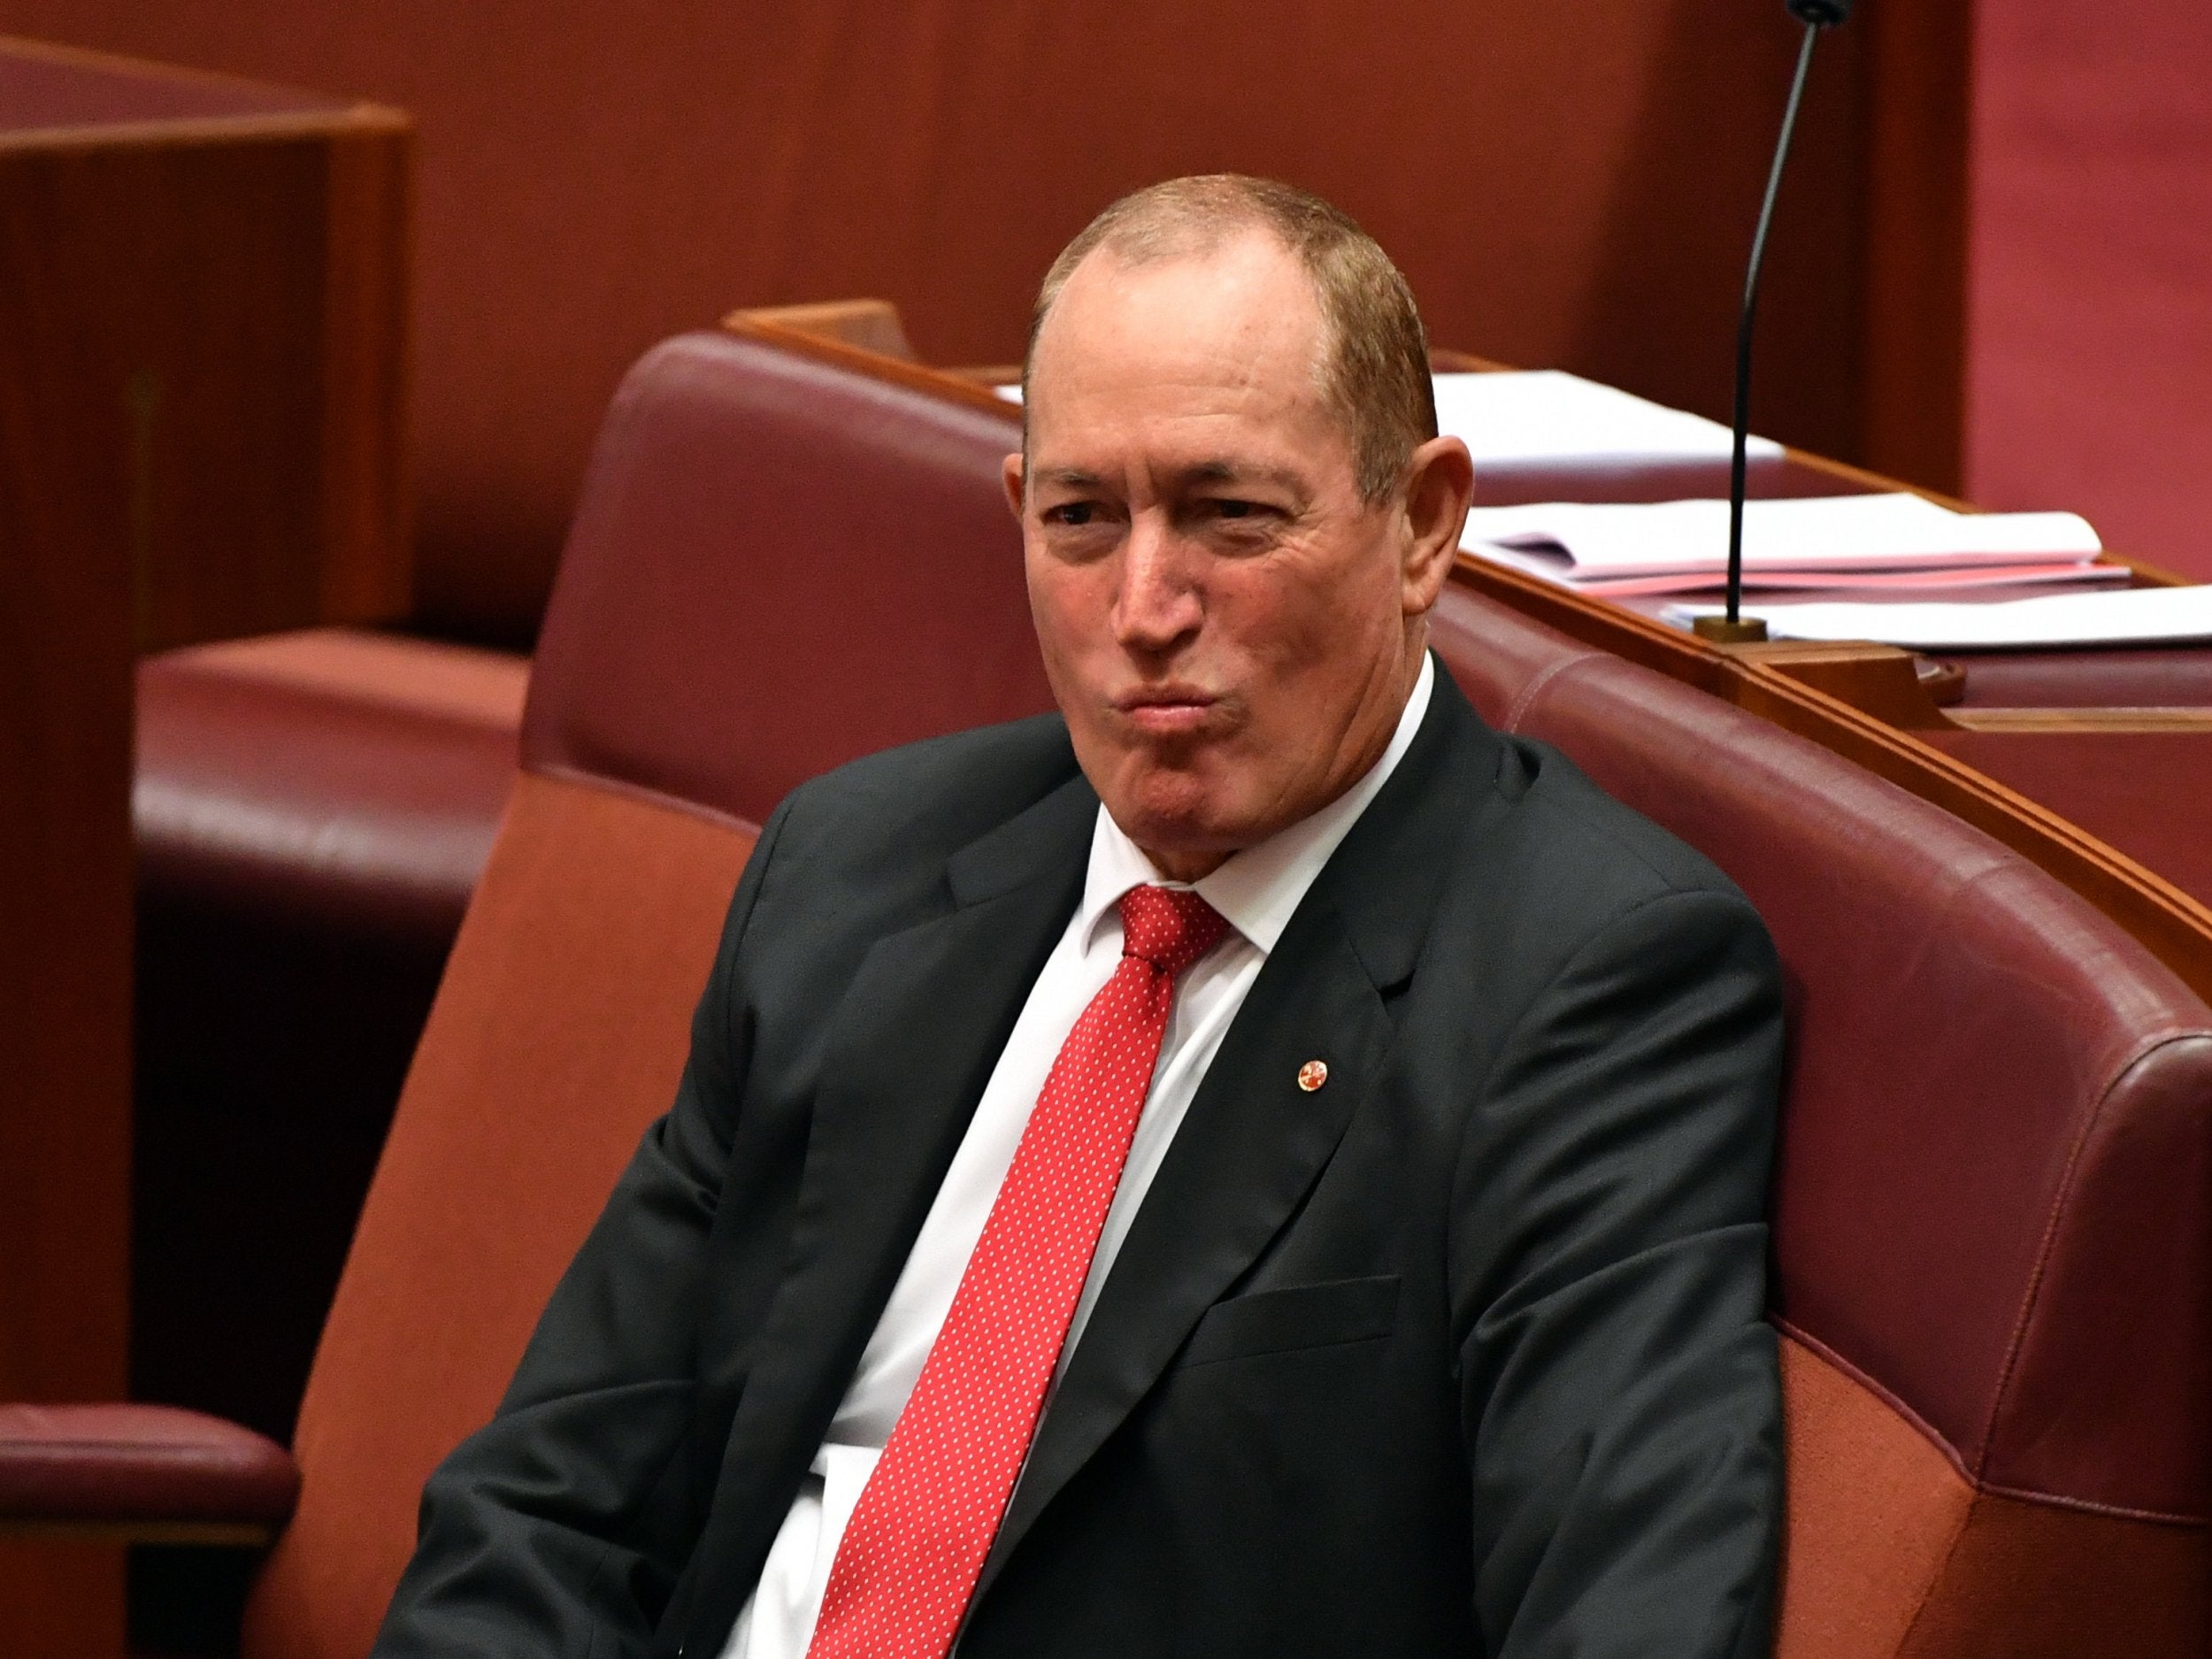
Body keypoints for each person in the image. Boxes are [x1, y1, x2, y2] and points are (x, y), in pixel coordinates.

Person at [371, 174, 1785, 1659]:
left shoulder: (1592, 983)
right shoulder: (853, 875)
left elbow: (1634, 1619)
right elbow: (550, 1513)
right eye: (1082, 519)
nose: (1146, 607)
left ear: (1423, 524)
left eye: (1232, 516)